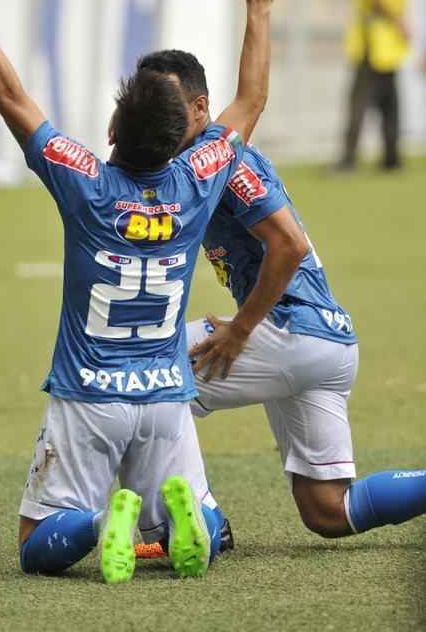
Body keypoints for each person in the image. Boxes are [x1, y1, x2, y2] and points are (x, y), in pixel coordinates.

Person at [0, 0, 279, 582]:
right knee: (196, 523)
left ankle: (100, 520)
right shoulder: (196, 179)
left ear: (113, 131)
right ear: (182, 136)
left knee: (35, 548)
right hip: (164, 398)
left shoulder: (86, 183)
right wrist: (258, 5)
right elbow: (250, 100)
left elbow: (10, 98)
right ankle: (191, 522)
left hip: (89, 398)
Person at [135, 64, 426, 562]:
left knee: (141, 375)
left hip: (291, 330)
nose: (155, 121)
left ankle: (190, 527)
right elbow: (252, 95)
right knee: (328, 511)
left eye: (165, 108)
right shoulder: (196, 160)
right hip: (324, 344)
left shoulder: (227, 163)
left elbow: (288, 247)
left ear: (202, 108)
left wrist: (242, 330)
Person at [339, 0, 409, 171]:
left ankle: (348, 158)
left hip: (373, 38)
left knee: (359, 99)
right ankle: (392, 157)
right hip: (390, 40)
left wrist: (396, 21)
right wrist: (400, 24)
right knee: (390, 101)